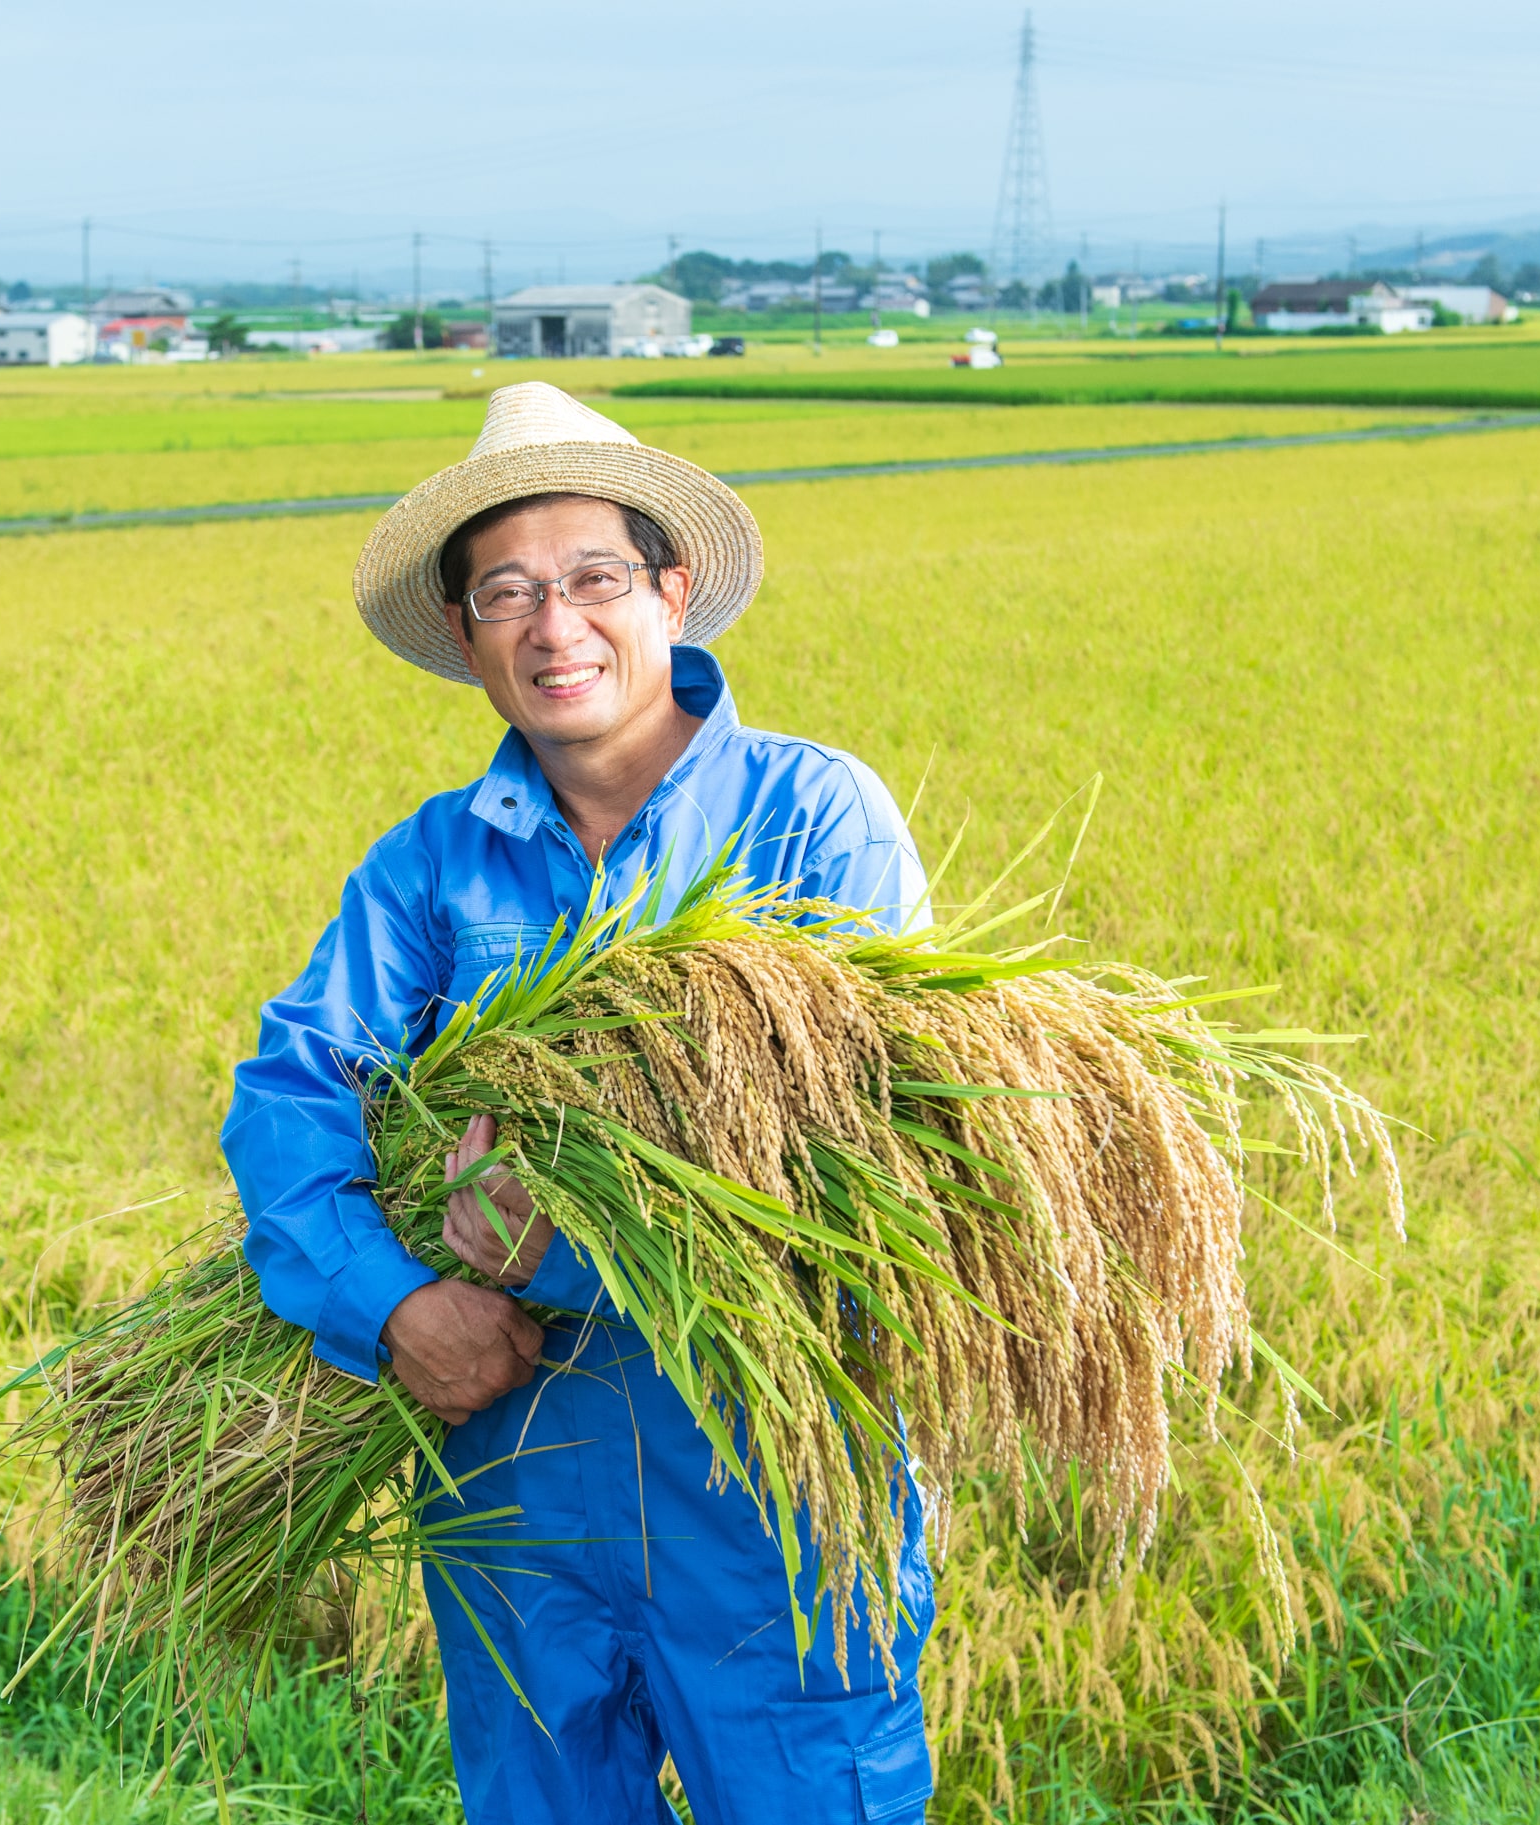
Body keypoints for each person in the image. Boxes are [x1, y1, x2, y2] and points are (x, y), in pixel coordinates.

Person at [220, 382, 937, 1825]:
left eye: (593, 578)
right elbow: (293, 1096)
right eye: (506, 594)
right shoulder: (428, 869)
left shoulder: (814, 819)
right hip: (508, 1487)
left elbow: (867, 1152)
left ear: (671, 592)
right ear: (469, 636)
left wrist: (547, 1237)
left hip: (765, 1483)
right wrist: (394, 1303)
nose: (556, 627)